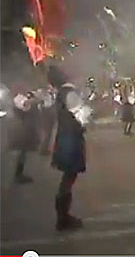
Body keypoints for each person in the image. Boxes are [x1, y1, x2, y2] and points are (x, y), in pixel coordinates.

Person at [47, 65, 92, 231]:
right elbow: (83, 116)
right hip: (71, 138)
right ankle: (63, 218)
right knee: (69, 177)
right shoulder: (70, 93)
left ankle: (63, 216)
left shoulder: (61, 93)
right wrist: (91, 114)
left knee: (68, 177)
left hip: (65, 137)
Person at [11, 86, 41, 184]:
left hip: (25, 128)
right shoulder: (18, 98)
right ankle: (18, 175)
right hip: (22, 129)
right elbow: (25, 107)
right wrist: (34, 100)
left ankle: (19, 174)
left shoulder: (23, 96)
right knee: (22, 152)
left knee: (23, 152)